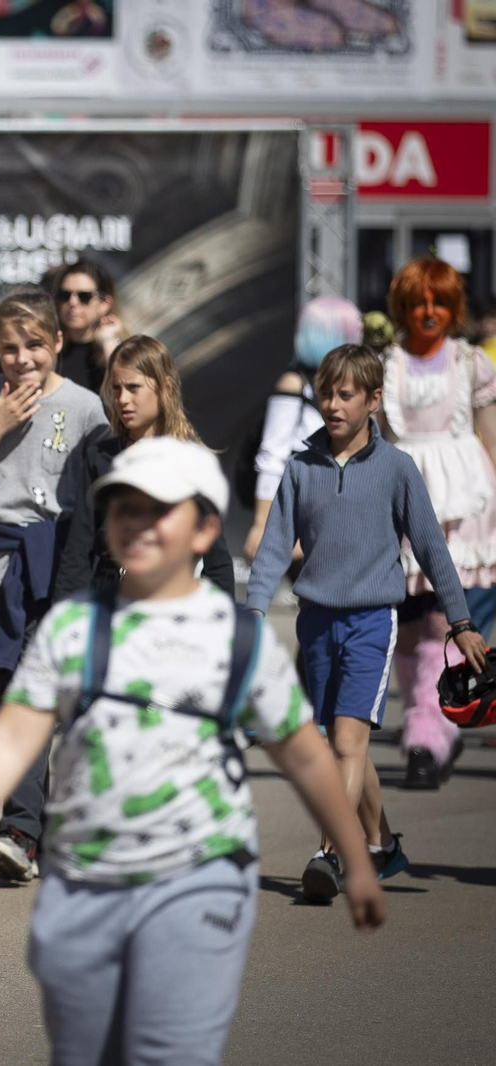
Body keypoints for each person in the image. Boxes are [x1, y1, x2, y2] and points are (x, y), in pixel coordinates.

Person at [0, 437, 385, 1066]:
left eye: (157, 509)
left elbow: (305, 755)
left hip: (200, 880)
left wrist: (355, 858)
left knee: (172, 1050)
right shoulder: (74, 627)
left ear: (205, 528)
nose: (136, 524)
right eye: (122, 509)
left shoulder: (237, 640)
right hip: (82, 884)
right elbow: (13, 736)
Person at [247, 344, 486, 902]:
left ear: (374, 400)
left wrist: (461, 621)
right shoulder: (299, 467)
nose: (332, 404)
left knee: (346, 745)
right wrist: (254, 614)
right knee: (340, 741)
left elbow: (430, 547)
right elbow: (275, 546)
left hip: (373, 623)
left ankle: (331, 854)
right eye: (325, 393)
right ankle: (382, 843)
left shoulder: (397, 469)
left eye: (345, 394)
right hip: (314, 624)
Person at [0, 289, 108, 883]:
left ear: (58, 343)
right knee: (13, 704)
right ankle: (39, 832)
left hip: (61, 566)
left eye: (34, 345)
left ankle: (19, 831)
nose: (22, 359)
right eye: (9, 348)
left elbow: (104, 493)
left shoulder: (86, 406)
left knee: (36, 708)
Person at [376, 258, 496, 788]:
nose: (430, 311)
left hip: (463, 503)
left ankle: (429, 732)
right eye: (420, 302)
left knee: (440, 622)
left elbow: (490, 440)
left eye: (440, 302)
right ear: (403, 307)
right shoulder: (384, 365)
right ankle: (428, 726)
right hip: (400, 500)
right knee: (404, 625)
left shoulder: (472, 363)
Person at [55, 335, 235, 600]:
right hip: (109, 601)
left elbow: (217, 561)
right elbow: (78, 551)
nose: (123, 399)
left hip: (170, 601)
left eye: (133, 387)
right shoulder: (99, 457)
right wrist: (66, 618)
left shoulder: (189, 459)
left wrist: (218, 621)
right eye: (116, 388)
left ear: (165, 388)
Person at [242, 296, 362, 563]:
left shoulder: (357, 384)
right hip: (305, 508)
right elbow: (272, 455)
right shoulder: (294, 383)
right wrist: (261, 523)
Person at [48, 259, 125, 396]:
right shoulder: (47, 349)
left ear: (104, 304)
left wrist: (108, 340)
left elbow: (124, 386)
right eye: (65, 295)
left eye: (84, 296)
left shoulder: (121, 348)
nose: (72, 302)